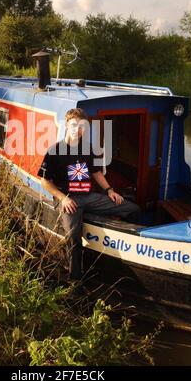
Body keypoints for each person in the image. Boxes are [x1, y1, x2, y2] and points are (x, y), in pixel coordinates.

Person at [37, 108, 141, 283]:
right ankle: (74, 279)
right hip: (68, 199)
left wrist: (110, 190)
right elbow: (44, 181)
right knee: (73, 237)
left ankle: (126, 255)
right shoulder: (55, 151)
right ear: (67, 126)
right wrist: (63, 198)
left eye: (82, 126)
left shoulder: (88, 149)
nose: (78, 129)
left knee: (132, 208)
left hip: (88, 196)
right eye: (74, 125)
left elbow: (96, 173)